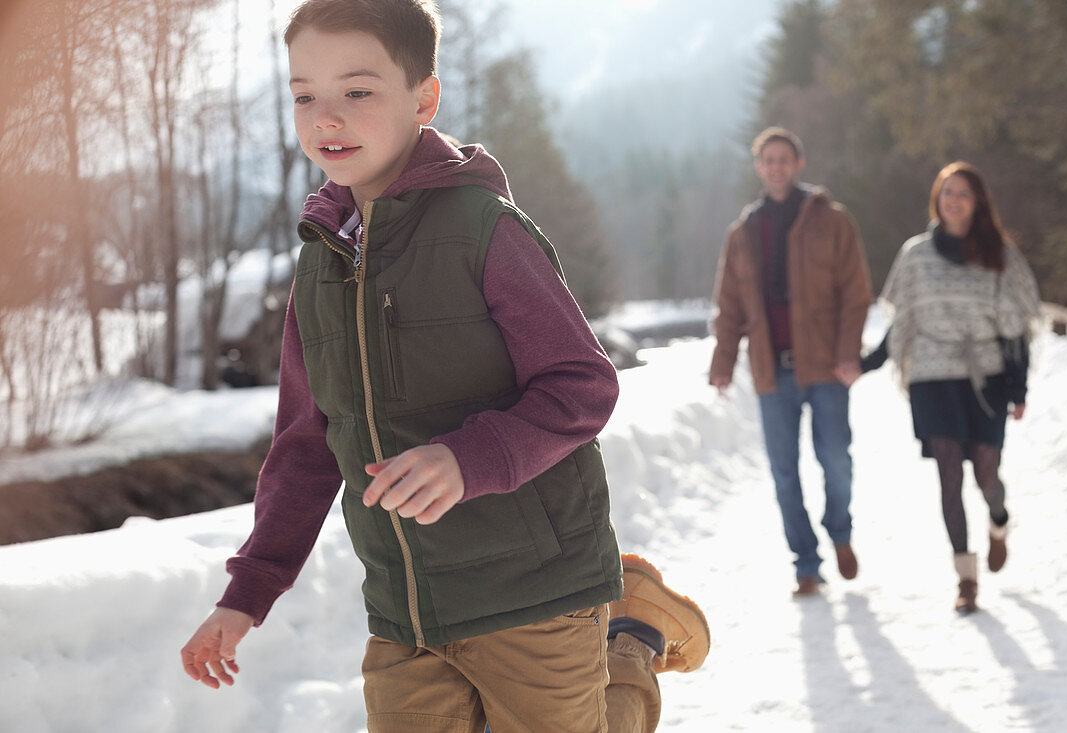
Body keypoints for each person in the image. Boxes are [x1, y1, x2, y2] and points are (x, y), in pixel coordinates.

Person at [178, 1, 709, 730]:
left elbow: (583, 384)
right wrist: (246, 593)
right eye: (305, 95)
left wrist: (470, 458)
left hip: (536, 591)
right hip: (409, 613)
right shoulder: (319, 265)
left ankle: (633, 640)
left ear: (423, 98)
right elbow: (306, 445)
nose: (326, 116)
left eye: (357, 92)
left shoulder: (485, 230)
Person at [859, 161, 1040, 614]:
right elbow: (903, 319)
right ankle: (965, 578)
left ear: (977, 201)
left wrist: (1019, 389)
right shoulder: (916, 255)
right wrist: (868, 363)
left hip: (987, 377)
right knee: (949, 474)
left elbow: (1016, 328)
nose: (953, 200)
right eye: (946, 192)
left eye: (962, 193)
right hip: (931, 376)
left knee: (984, 471)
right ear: (937, 200)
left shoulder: (1000, 254)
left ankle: (998, 521)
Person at [709, 127, 873, 598]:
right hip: (770, 369)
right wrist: (723, 361)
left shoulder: (832, 220)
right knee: (784, 472)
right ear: (759, 167)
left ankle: (840, 531)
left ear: (798, 164)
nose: (777, 167)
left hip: (826, 366)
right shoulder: (742, 233)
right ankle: (805, 563)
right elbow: (729, 306)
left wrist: (848, 353)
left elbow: (856, 293)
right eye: (768, 160)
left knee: (836, 460)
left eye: (785, 159)